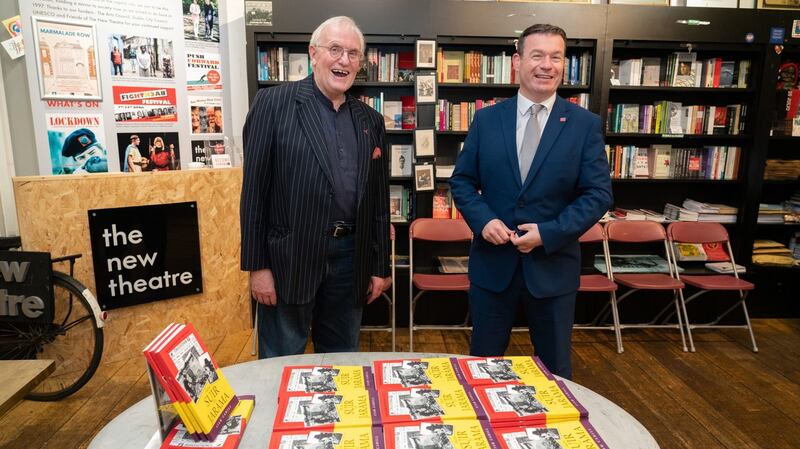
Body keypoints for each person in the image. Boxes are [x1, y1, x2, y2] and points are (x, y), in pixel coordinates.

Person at [449, 24, 612, 379]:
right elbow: (462, 181)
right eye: (538, 55)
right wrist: (484, 220)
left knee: (556, 374)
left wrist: (550, 233)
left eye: (556, 56)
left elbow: (598, 193)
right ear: (517, 61)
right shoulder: (487, 119)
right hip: (493, 269)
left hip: (553, 271)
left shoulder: (584, 125)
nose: (547, 65)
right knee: (483, 370)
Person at [240, 16, 391, 358]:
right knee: (281, 359)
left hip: (351, 259)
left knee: (342, 358)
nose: (344, 60)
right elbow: (253, 195)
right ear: (313, 53)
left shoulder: (371, 121)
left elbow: (379, 201)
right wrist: (257, 267)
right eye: (335, 49)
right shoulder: (272, 105)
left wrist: (380, 266)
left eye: (353, 53)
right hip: (288, 259)